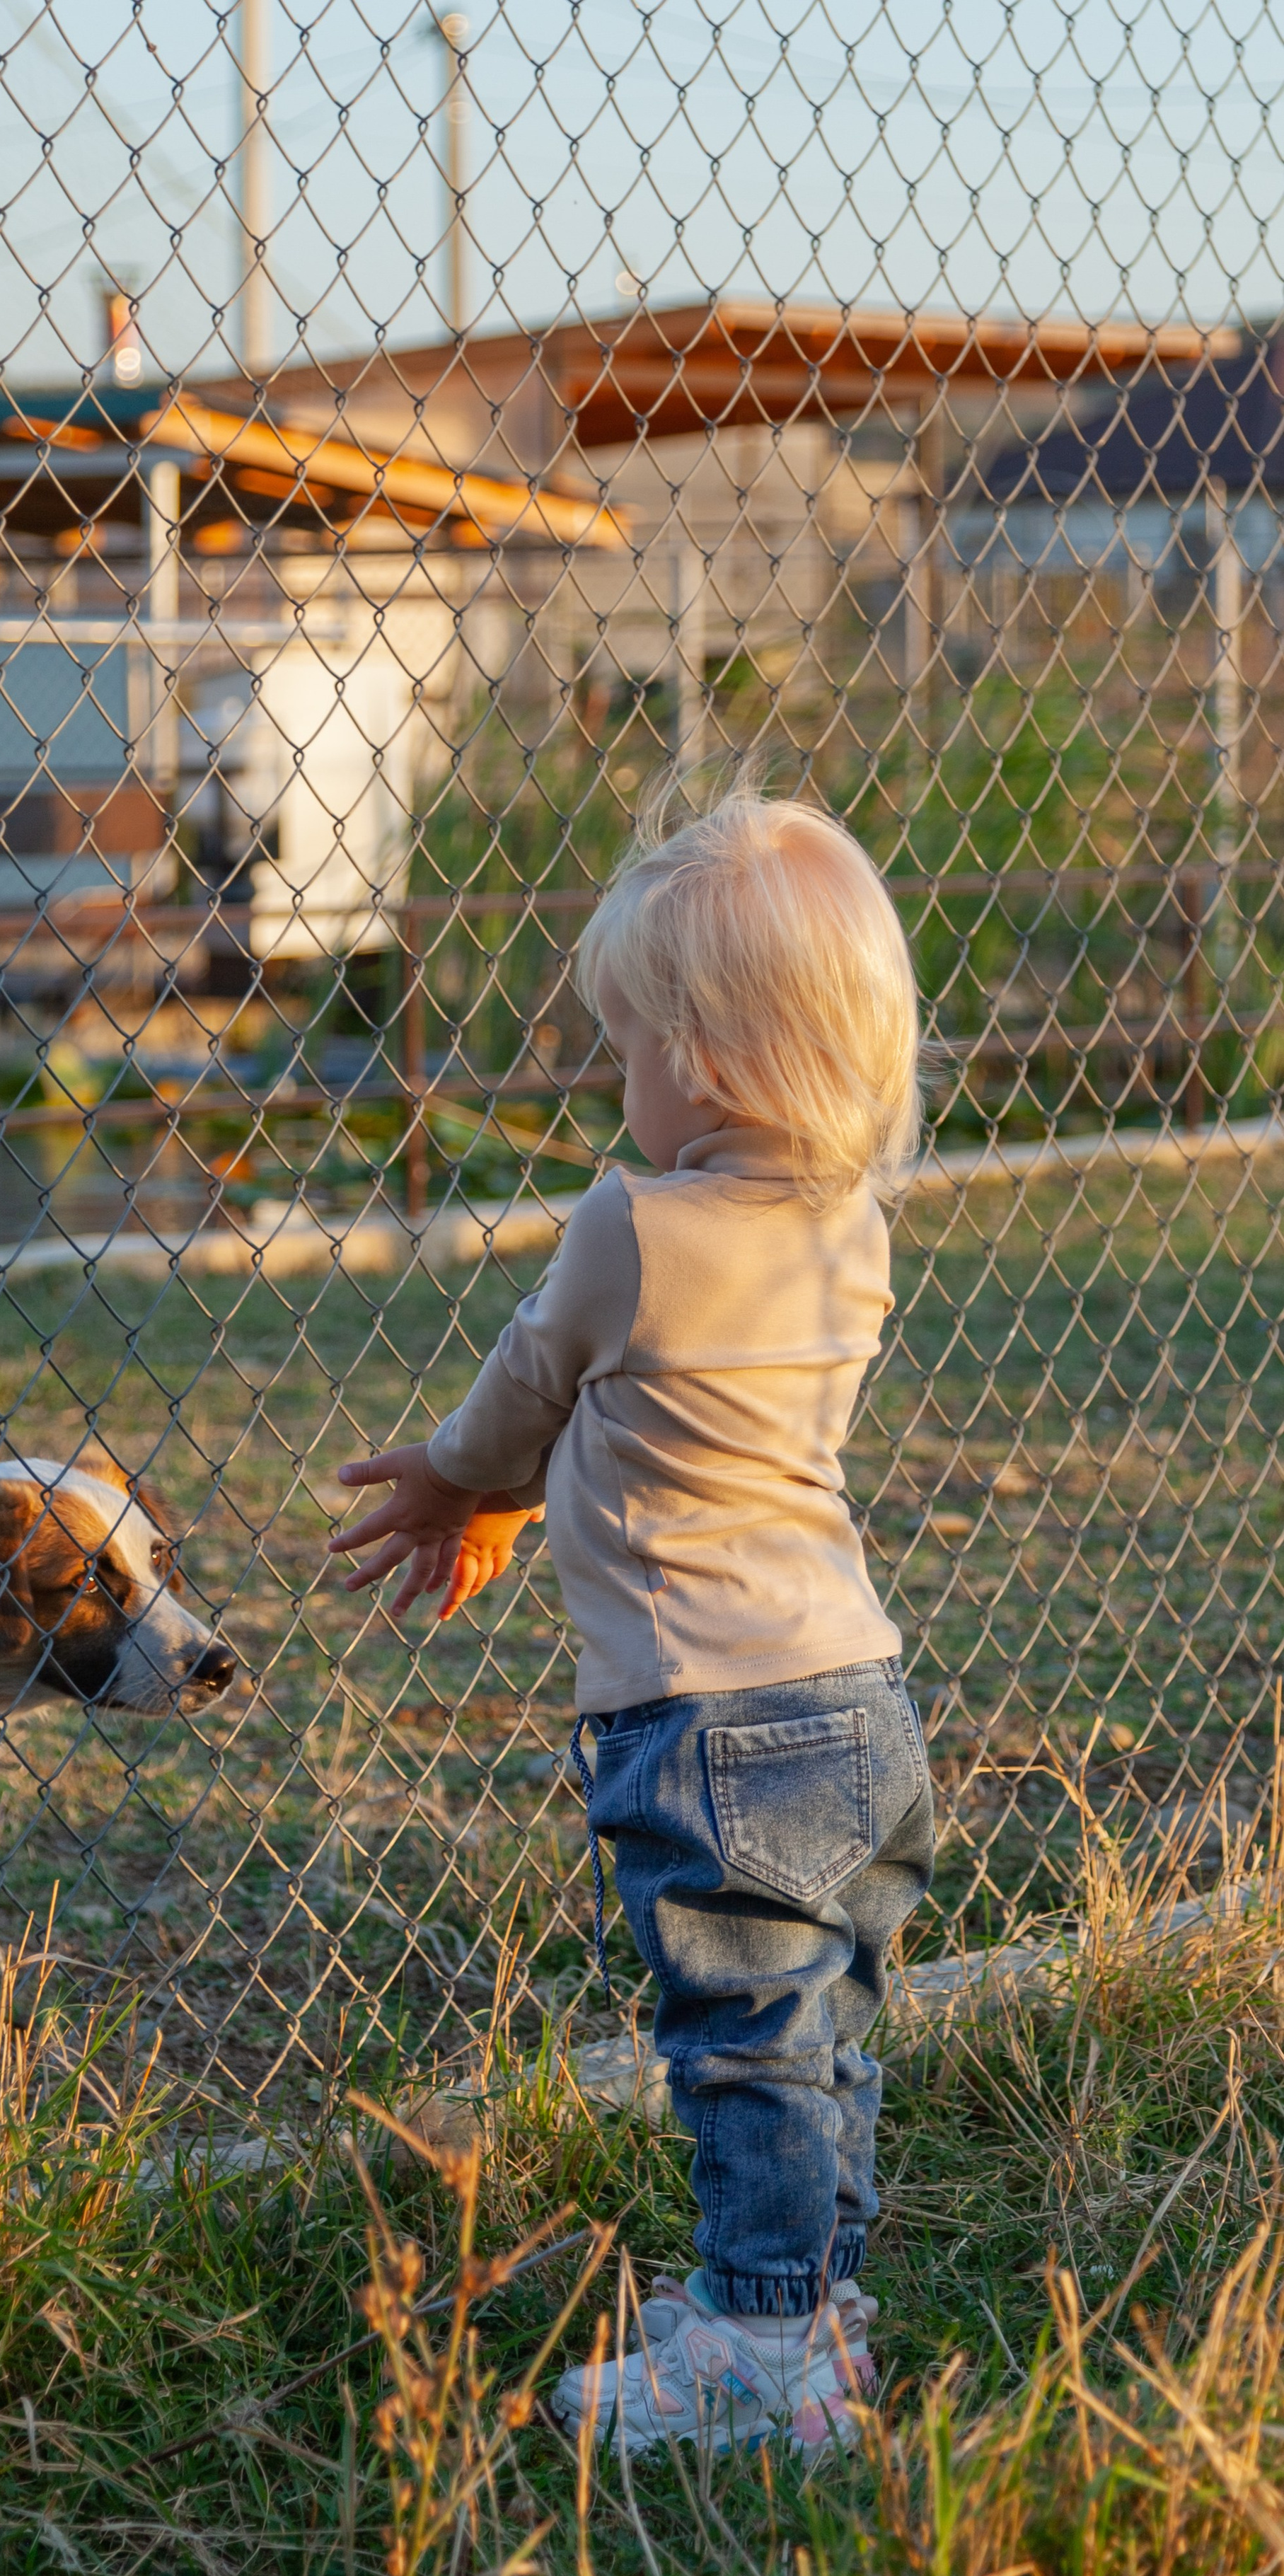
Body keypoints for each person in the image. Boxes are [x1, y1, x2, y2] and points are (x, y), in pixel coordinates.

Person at [327, 785, 933, 2460]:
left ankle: (758, 2353)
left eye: (631, 1047)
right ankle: (810, 2302)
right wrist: (532, 1485)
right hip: (854, 1699)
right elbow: (671, 1405)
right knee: (819, 2031)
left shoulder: (629, 1222)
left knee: (737, 2038)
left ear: (713, 1057)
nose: (622, 1083)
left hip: (704, 1714)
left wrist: (461, 1486)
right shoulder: (849, 1233)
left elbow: (527, 1385)